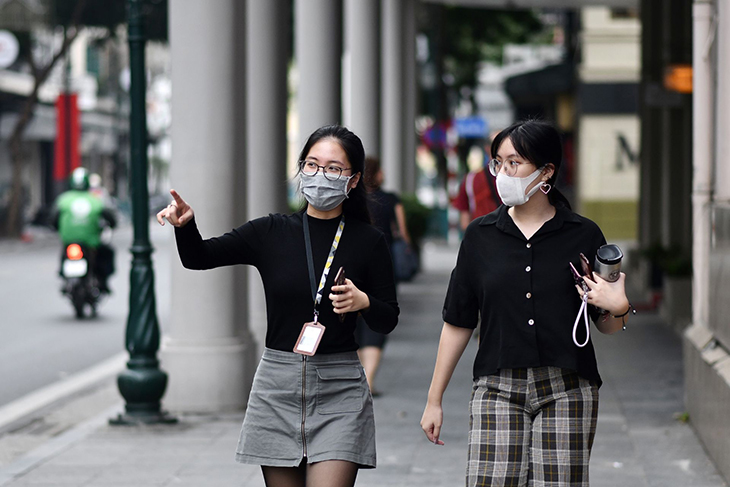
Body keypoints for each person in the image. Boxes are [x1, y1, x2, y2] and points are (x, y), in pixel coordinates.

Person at [156, 125, 399, 487]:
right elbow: (199, 257)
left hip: (340, 388)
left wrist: (363, 302)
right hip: (277, 386)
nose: (320, 175)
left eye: (333, 168)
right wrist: (185, 226)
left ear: (353, 179)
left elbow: (388, 318)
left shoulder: (369, 240)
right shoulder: (271, 231)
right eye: (312, 165)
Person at [420, 120, 633, 486]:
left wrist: (619, 306)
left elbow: (606, 322)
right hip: (497, 388)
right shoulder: (480, 236)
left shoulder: (583, 234)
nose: (503, 173)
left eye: (514, 163)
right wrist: (434, 398)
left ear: (547, 170)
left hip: (567, 388)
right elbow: (458, 320)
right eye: (498, 163)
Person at [355, 156, 411, 396]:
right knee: (378, 318)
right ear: (377, 173)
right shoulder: (390, 200)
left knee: (355, 321)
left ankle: (361, 380)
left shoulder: (353, 200)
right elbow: (403, 231)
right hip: (384, 267)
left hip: (355, 267)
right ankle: (369, 380)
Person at [52, 167, 117, 293]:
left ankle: (62, 273)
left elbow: (53, 219)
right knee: (106, 253)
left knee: (64, 250)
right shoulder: (96, 200)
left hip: (68, 240)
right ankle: (103, 282)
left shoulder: (63, 200)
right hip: (90, 242)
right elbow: (110, 218)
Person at [452, 145, 501, 232]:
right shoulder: (471, 179)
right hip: (500, 234)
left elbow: (464, 221)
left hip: (481, 234)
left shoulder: (471, 179)